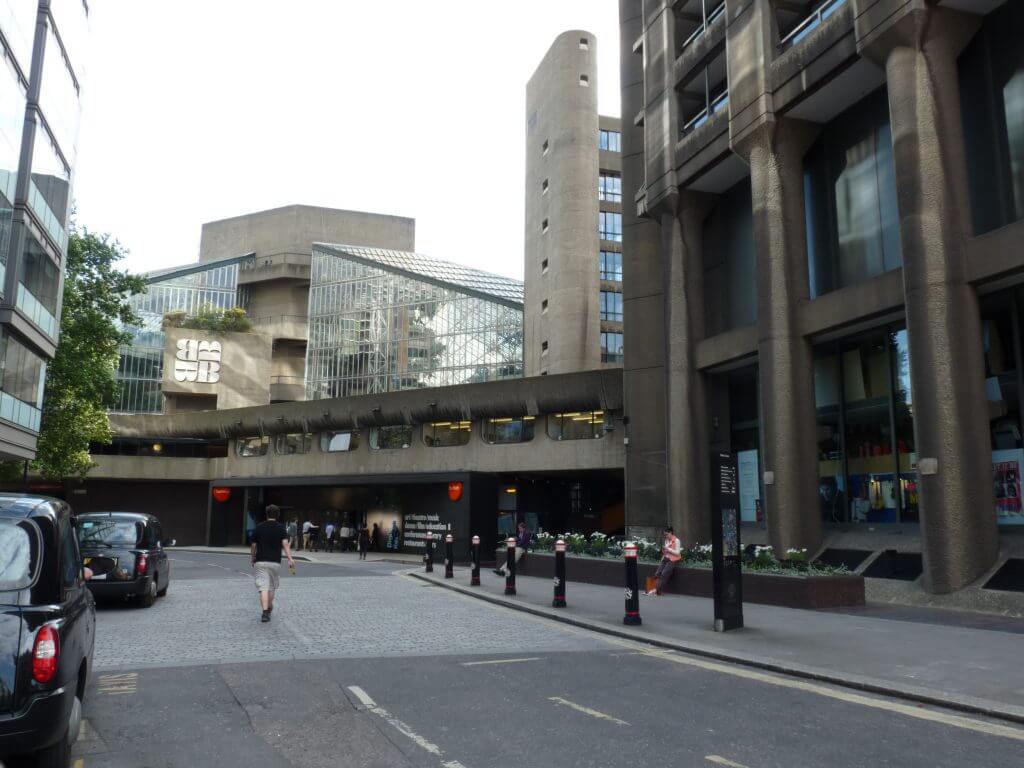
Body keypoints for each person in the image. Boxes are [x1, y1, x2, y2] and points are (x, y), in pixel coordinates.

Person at [250, 504, 296, 623]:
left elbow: (254, 545)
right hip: (275, 562)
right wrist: (290, 558)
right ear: (278, 515)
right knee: (271, 587)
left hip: (260, 561)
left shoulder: (259, 527)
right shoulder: (281, 528)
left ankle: (265, 612)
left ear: (266, 514)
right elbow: (285, 544)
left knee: (263, 588)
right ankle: (269, 607)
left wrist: (253, 557)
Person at [645, 525, 682, 596]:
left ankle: (656, 590)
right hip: (666, 558)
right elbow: (666, 552)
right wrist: (663, 555)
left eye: (666, 534)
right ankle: (650, 589)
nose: (666, 536)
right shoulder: (666, 540)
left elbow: (677, 553)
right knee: (657, 573)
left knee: (664, 574)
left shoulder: (677, 540)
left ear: (671, 532)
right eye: (664, 535)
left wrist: (669, 549)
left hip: (673, 560)